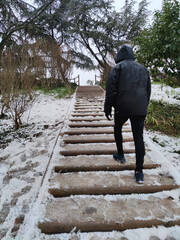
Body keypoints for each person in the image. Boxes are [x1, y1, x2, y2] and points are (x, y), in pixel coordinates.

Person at [104, 44, 151, 184]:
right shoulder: (143, 69)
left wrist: (108, 107)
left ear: (120, 56)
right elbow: (148, 90)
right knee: (138, 137)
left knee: (117, 128)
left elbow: (110, 89)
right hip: (139, 108)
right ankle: (139, 171)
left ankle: (120, 154)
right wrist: (143, 106)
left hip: (122, 107)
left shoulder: (117, 68)